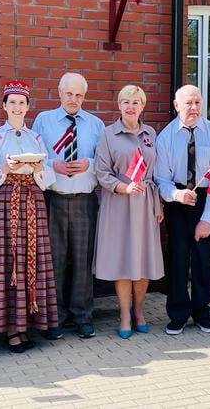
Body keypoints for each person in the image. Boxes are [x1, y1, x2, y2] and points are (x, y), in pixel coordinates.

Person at [0, 80, 59, 353]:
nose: (17, 108)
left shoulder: (36, 138)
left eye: (22, 103)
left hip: (32, 201)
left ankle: (26, 324)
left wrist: (38, 167)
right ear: (4, 106)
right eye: (12, 103)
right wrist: (4, 166)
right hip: (4, 202)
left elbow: (49, 178)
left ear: (28, 107)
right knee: (9, 261)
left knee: (30, 261)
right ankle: (10, 329)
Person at [32, 73, 106, 339]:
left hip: (84, 200)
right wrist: (54, 164)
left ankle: (83, 316)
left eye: (79, 95)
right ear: (59, 93)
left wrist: (89, 163)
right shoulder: (44, 120)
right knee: (54, 261)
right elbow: (36, 157)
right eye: (69, 94)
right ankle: (55, 318)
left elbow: (105, 161)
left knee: (83, 262)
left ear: (84, 96)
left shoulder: (96, 124)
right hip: (54, 198)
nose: (73, 99)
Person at [93, 85, 164, 338]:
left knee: (143, 259)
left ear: (142, 106)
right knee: (123, 260)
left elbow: (156, 172)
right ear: (119, 105)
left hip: (145, 203)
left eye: (135, 102)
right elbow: (101, 172)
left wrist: (158, 204)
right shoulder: (108, 134)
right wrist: (123, 187)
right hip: (119, 204)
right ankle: (124, 313)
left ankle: (140, 310)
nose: (130, 106)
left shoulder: (150, 134)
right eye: (125, 102)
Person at [155, 85, 210, 335]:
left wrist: (207, 219)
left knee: (204, 260)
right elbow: (160, 179)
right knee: (177, 259)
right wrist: (176, 195)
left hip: (205, 199)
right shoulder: (165, 137)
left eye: (198, 102)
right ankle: (177, 313)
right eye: (189, 103)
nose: (194, 108)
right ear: (177, 106)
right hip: (177, 202)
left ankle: (202, 312)